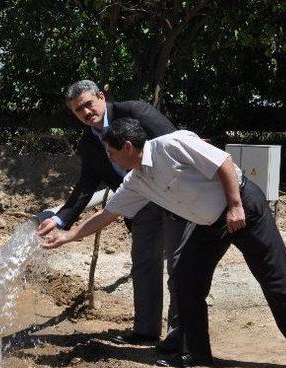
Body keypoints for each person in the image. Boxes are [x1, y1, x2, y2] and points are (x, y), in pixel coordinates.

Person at [42, 117, 286, 368]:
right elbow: (107, 215)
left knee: (276, 278)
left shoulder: (172, 144)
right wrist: (68, 236)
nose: (109, 158)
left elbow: (224, 162)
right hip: (208, 224)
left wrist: (235, 205)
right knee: (185, 281)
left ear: (128, 147)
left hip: (242, 209)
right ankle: (199, 354)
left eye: (111, 152)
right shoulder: (136, 181)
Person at [37, 80, 194, 346]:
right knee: (143, 265)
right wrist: (59, 218)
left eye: (88, 104)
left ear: (101, 96)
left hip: (172, 197)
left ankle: (180, 336)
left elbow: (173, 144)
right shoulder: (88, 144)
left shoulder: (135, 112)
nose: (86, 112)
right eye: (78, 110)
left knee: (179, 266)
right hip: (138, 206)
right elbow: (86, 187)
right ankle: (145, 331)